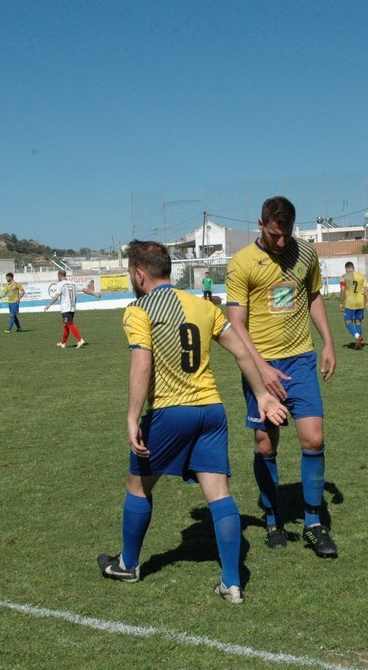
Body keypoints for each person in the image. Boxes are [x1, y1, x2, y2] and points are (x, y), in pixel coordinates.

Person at [96, 240, 287, 603]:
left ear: (139, 274)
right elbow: (241, 350)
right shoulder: (203, 306)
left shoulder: (138, 310)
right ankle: (231, 582)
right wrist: (262, 395)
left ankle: (128, 564)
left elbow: (141, 362)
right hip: (211, 412)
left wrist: (132, 417)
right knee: (219, 493)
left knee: (138, 486)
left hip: (171, 412)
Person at [224, 196, 339, 557]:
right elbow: (236, 322)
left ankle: (313, 524)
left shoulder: (305, 253)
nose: (281, 241)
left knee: (314, 439)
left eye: (287, 233)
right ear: (260, 225)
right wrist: (260, 366)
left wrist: (328, 341)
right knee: (265, 445)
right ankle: (273, 518)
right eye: (274, 234)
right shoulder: (242, 263)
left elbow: (313, 296)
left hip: (301, 360)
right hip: (260, 365)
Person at [43, 270, 100, 348]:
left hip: (65, 308)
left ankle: (80, 340)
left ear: (59, 276)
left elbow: (56, 296)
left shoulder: (60, 284)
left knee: (69, 324)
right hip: (72, 307)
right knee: (66, 326)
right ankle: (63, 343)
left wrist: (49, 304)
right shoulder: (73, 283)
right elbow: (84, 290)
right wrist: (94, 293)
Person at [338, 261, 368, 350]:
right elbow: (365, 289)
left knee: (348, 321)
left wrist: (341, 303)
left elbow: (342, 290)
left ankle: (357, 337)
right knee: (358, 322)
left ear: (346, 269)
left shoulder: (344, 277)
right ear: (353, 268)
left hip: (350, 303)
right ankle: (359, 343)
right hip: (360, 302)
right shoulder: (362, 276)